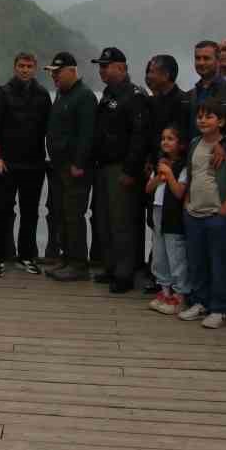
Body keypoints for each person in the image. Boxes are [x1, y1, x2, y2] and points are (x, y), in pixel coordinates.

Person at [177, 99, 226, 329]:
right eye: (200, 117)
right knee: (197, 262)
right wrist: (187, 203)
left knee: (220, 263)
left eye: (209, 116)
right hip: (193, 213)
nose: (203, 121)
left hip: (217, 215)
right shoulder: (194, 144)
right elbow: (191, 175)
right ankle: (200, 302)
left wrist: (224, 211)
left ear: (221, 121)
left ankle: (221, 307)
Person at [0, 52, 52, 275]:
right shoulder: (3, 93)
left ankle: (26, 257)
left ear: (35, 69)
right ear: (15, 67)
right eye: (21, 66)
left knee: (30, 213)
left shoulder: (43, 95)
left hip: (34, 164)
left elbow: (50, 129)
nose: (25, 70)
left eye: (29, 66)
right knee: (1, 212)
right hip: (7, 164)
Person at [91, 47, 148, 293]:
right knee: (105, 220)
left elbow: (139, 136)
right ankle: (111, 267)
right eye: (100, 66)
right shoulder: (108, 93)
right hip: (103, 166)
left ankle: (125, 274)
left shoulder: (134, 95)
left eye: (106, 66)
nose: (101, 70)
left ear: (122, 68)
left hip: (121, 167)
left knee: (122, 222)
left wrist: (130, 170)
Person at [46, 53, 98, 282]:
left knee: (74, 215)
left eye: (58, 72)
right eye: (52, 73)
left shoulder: (84, 96)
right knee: (61, 213)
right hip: (59, 166)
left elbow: (87, 134)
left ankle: (78, 264)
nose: (54, 76)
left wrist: (79, 163)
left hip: (74, 168)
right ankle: (66, 258)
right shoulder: (62, 94)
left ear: (72, 71)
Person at [145, 125, 190, 316]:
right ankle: (164, 292)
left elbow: (179, 192)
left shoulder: (184, 166)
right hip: (158, 211)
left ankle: (180, 295)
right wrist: (159, 176)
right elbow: (148, 188)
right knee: (159, 253)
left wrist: (169, 174)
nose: (165, 142)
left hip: (174, 215)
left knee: (176, 254)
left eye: (170, 138)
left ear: (181, 144)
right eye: (163, 138)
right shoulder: (161, 163)